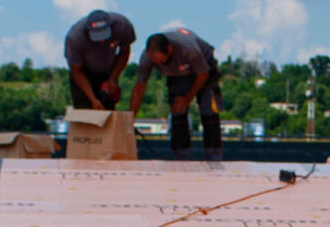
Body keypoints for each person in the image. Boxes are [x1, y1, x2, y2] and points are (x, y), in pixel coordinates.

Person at [129, 27, 222, 161]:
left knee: (209, 114)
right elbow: (139, 87)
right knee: (177, 114)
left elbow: (203, 74)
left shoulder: (188, 49)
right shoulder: (146, 58)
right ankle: (182, 157)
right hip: (177, 75)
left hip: (203, 69)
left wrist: (188, 98)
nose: (158, 64)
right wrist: (130, 118)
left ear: (169, 49)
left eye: (161, 62)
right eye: (156, 63)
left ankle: (214, 157)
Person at [64, 10, 135, 110]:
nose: (102, 40)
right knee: (85, 112)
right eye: (97, 36)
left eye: (104, 35)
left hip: (108, 71)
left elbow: (124, 52)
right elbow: (76, 70)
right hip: (84, 74)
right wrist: (93, 99)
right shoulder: (75, 38)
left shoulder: (122, 26)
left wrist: (113, 77)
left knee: (107, 110)